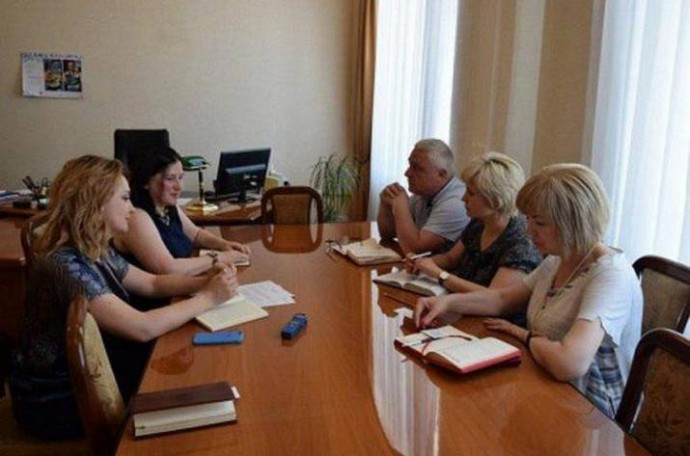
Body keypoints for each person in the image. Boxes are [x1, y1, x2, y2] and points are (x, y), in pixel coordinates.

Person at [10, 155, 237, 439]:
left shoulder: (96, 247)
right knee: (184, 374)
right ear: (95, 203)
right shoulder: (65, 264)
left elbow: (152, 283)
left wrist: (206, 282)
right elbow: (141, 327)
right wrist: (209, 298)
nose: (132, 208)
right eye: (125, 199)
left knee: (188, 366)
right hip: (55, 400)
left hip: (88, 375)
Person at [414, 163, 642, 418]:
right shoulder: (558, 259)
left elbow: (569, 363)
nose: (528, 230)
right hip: (547, 380)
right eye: (528, 219)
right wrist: (447, 303)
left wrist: (524, 335)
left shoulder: (610, 275)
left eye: (539, 223)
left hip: (590, 410)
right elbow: (502, 299)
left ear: (574, 223)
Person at [407, 152, 542, 294]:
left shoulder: (522, 242)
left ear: (496, 198)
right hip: (455, 301)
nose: (463, 198)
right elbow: (450, 258)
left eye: (471, 193)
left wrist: (440, 274)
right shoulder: (479, 222)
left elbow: (494, 297)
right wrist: (422, 262)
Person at [113, 146, 250, 276]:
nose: (179, 187)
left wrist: (223, 244)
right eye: (170, 179)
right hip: (163, 291)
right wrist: (219, 257)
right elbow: (168, 269)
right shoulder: (136, 217)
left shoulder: (166, 206)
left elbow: (195, 235)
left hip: (183, 282)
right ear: (146, 182)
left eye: (180, 177)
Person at [377, 138, 469, 255]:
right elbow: (388, 234)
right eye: (410, 165)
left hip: (447, 266)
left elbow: (414, 249)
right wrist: (385, 205)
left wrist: (400, 206)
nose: (407, 173)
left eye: (417, 168)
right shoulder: (423, 193)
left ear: (441, 174)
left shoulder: (456, 203)